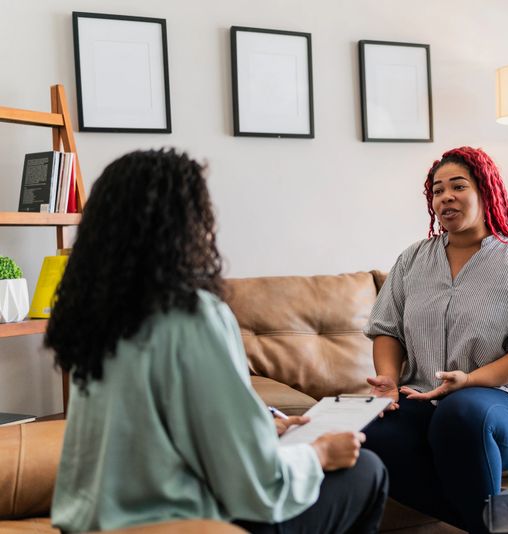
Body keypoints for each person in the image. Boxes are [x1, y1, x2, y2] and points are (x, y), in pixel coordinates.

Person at [45, 149, 388, 534]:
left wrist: (260, 426)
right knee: (367, 470)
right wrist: (319, 453)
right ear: (182, 225)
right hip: (179, 522)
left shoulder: (92, 316)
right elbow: (255, 485)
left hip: (90, 522)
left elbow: (156, 425)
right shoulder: (191, 313)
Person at [363, 146, 508, 533]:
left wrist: (470, 381)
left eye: (458, 186)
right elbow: (387, 328)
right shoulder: (412, 260)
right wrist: (388, 381)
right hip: (424, 399)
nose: (445, 197)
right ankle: (492, 526)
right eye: (437, 190)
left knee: (460, 412)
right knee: (367, 433)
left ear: (485, 191)